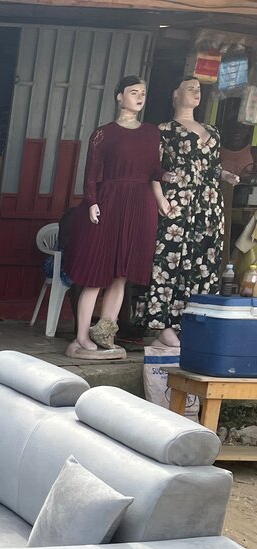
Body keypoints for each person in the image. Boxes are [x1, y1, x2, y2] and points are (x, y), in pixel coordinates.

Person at [64, 75, 168, 357]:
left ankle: (105, 333)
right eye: (133, 92)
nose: (140, 97)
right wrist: (92, 201)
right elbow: (91, 173)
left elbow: (154, 169)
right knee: (95, 274)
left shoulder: (152, 133)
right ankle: (81, 335)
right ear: (119, 96)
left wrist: (167, 178)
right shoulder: (103, 133)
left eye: (143, 92)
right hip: (109, 201)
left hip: (140, 203)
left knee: (122, 274)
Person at [139, 75, 241, 348]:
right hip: (179, 201)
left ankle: (194, 322)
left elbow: (212, 166)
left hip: (209, 203)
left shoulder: (212, 131)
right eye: (190, 88)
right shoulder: (164, 130)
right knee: (170, 260)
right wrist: (159, 197)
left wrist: (227, 175)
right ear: (175, 94)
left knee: (204, 261)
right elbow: (154, 167)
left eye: (199, 89)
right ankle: (163, 324)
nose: (197, 92)